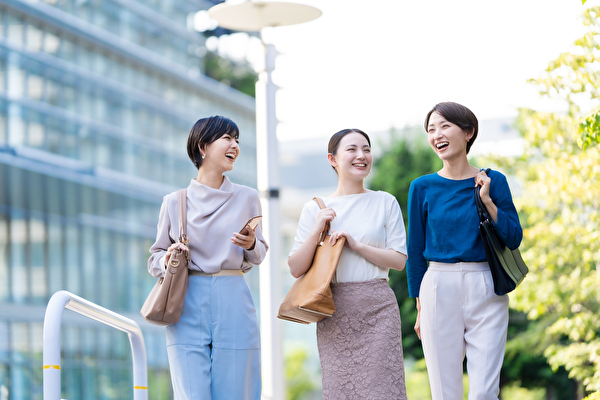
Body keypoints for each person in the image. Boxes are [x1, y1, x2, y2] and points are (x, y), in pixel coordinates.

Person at [407, 102, 523, 400]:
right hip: (437, 285)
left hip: (486, 283)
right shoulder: (422, 187)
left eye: (445, 126)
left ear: (468, 132)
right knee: (445, 392)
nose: (437, 135)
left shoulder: (492, 180)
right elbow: (416, 250)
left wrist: (487, 200)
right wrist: (420, 305)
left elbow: (513, 237)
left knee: (485, 391)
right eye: (431, 129)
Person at [147, 115, 268, 400]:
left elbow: (260, 253)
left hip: (233, 296)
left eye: (237, 140)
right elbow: (154, 257)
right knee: (192, 394)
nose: (235, 145)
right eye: (227, 138)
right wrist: (168, 259)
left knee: (237, 391)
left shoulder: (247, 197)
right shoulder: (174, 202)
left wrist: (251, 243)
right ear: (202, 146)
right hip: (186, 301)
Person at [288, 128, 408, 400]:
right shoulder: (315, 209)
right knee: (341, 391)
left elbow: (399, 260)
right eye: (352, 149)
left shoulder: (385, 201)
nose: (361, 155)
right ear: (332, 159)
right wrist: (317, 228)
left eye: (366, 149)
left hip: (378, 308)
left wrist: (358, 246)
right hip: (334, 310)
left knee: (383, 390)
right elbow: (295, 267)